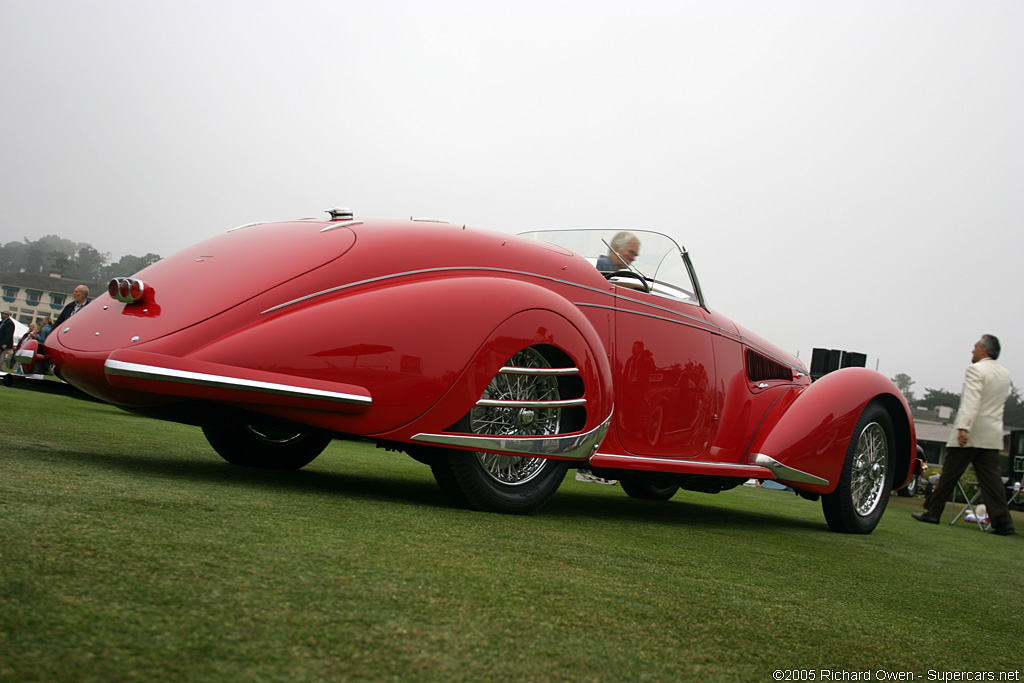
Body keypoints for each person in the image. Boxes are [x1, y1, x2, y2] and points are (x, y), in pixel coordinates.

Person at [913, 335, 1016, 536]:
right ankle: (1004, 523)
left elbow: (972, 400)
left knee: (949, 475)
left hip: (970, 433)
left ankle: (933, 512)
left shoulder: (975, 370)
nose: (972, 350)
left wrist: (963, 427)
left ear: (984, 350)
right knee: (992, 482)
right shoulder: (1004, 374)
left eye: (976, 346)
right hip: (991, 435)